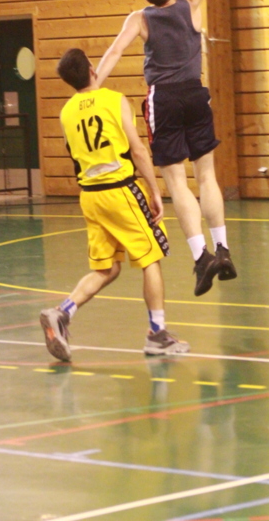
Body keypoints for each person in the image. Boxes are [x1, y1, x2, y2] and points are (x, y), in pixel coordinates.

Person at [94, 0, 237, 298]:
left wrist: (92, 85)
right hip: (195, 92)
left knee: (176, 181)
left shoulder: (139, 18)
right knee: (207, 174)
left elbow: (114, 52)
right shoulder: (190, 3)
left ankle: (201, 257)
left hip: (165, 99)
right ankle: (223, 248)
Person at [40, 47, 190, 362]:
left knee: (106, 268)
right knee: (151, 257)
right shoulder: (114, 100)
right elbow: (138, 151)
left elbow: (74, 154)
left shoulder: (66, 112)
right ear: (92, 69)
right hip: (120, 190)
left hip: (90, 196)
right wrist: (154, 190)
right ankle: (157, 334)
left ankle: (62, 312)